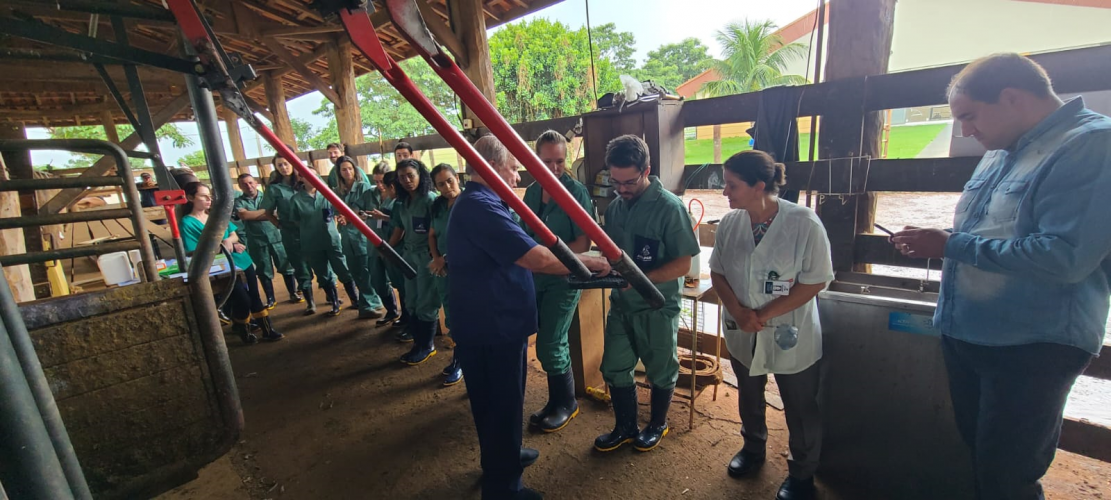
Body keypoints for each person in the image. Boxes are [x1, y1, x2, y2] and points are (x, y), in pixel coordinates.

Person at [891, 53, 1110, 500]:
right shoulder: (1000, 148)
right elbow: (994, 232)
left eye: (969, 116)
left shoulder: (1090, 144)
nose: (966, 131)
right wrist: (945, 238)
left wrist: (952, 245)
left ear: (1012, 98)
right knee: (981, 455)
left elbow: (1065, 256)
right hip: (969, 332)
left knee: (1008, 472)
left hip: (1030, 344)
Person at [448, 135, 610, 500]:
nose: (518, 178)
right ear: (491, 168)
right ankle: (504, 487)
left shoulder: (483, 202)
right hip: (493, 325)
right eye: (513, 169)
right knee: (502, 402)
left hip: (490, 321)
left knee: (497, 400)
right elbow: (535, 257)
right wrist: (587, 262)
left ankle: (503, 456)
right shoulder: (482, 207)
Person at [709, 150, 832, 500]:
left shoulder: (804, 223)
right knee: (749, 395)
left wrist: (761, 315)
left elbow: (815, 282)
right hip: (742, 328)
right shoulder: (732, 223)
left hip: (789, 333)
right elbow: (717, 272)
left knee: (800, 405)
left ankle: (803, 475)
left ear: (759, 186)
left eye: (731, 185)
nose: (724, 192)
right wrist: (739, 311)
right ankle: (753, 449)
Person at [594, 134, 700, 454]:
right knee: (614, 365)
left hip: (657, 305)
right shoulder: (615, 208)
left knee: (661, 368)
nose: (621, 189)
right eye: (615, 181)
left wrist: (641, 279)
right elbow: (614, 254)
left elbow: (683, 263)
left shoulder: (670, 208)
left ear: (647, 170)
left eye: (629, 181)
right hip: (622, 304)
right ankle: (626, 426)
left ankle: (657, 424)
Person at [521, 130, 594, 433]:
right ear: (535, 159)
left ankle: (567, 403)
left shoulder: (576, 193)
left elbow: (584, 243)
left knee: (552, 341)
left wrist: (550, 258)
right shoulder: (532, 192)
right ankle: (555, 402)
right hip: (534, 276)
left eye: (559, 161)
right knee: (541, 338)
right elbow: (523, 235)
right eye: (546, 161)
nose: (552, 168)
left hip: (563, 277)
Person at [180, 182, 283, 344]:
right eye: (203, 196)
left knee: (255, 296)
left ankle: (268, 330)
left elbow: (234, 234)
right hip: (220, 267)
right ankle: (243, 330)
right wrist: (224, 246)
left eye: (210, 196)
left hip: (242, 260)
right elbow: (193, 250)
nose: (209, 199)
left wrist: (229, 241)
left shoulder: (216, 215)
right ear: (190, 198)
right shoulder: (187, 223)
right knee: (242, 299)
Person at [388, 158, 441, 362]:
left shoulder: (430, 200)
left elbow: (437, 231)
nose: (407, 180)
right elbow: (399, 227)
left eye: (411, 175)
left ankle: (427, 346)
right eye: (402, 177)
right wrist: (388, 249)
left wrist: (435, 256)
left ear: (420, 176)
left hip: (426, 257)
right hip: (409, 256)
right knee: (411, 301)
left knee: (426, 302)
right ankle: (418, 343)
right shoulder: (402, 203)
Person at [290, 169, 360, 317]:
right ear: (301, 178)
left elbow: (339, 211)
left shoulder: (328, 194)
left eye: (315, 175)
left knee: (343, 268)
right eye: (309, 176)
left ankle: (355, 299)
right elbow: (295, 221)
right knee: (322, 274)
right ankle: (334, 302)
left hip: (332, 239)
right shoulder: (296, 200)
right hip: (311, 242)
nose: (314, 178)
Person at [334, 156, 387, 319]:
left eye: (350, 168)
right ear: (339, 172)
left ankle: (370, 304)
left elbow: (365, 210)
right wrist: (344, 217)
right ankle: (367, 305)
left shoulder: (363, 187)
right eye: (344, 169)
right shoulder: (337, 191)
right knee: (355, 270)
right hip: (347, 236)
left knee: (366, 271)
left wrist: (350, 217)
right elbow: (337, 210)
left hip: (363, 235)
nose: (347, 172)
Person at [234, 173, 298, 307]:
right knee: (263, 270)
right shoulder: (239, 201)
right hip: (257, 241)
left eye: (250, 182)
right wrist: (267, 213)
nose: (248, 186)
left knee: (286, 266)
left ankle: (293, 293)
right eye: (244, 184)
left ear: (256, 182)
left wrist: (258, 215)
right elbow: (244, 215)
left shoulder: (268, 196)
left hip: (276, 237)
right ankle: (270, 299)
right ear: (239, 186)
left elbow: (276, 213)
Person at [256, 156, 311, 305]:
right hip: (291, 233)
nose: (283, 167)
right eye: (279, 165)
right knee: (300, 267)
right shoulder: (274, 188)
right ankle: (310, 302)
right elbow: (267, 212)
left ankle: (331, 298)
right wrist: (279, 225)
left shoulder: (303, 182)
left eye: (286, 164)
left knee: (321, 263)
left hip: (312, 230)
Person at [428, 163, 463, 386]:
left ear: (457, 178)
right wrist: (436, 258)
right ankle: (458, 357)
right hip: (443, 268)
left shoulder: (468, 203)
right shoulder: (438, 206)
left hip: (462, 268)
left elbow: (468, 239)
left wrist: (446, 259)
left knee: (463, 315)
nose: (447, 186)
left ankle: (462, 362)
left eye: (450, 180)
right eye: (441, 184)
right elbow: (432, 235)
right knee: (450, 312)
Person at [367, 163, 406, 327]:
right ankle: (395, 313)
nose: (379, 186)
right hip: (381, 244)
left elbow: (400, 226)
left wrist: (383, 217)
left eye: (382, 182)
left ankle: (408, 320)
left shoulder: (399, 201)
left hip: (393, 247)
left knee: (403, 286)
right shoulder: (375, 195)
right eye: (376, 182)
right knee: (382, 281)